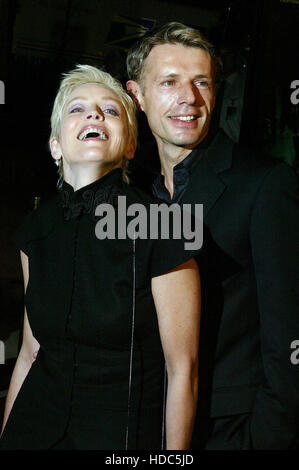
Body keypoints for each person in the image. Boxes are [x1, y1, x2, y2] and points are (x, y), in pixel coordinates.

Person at [0, 65, 201, 450]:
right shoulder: (35, 231)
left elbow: (183, 371)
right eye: (77, 109)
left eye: (110, 111)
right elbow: (29, 353)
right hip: (34, 428)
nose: (93, 115)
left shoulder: (163, 225)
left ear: (128, 146)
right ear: (56, 144)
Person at [126, 22, 299, 450]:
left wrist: (267, 437)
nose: (189, 98)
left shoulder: (265, 184)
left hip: (229, 427)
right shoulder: (135, 196)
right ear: (137, 95)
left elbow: (288, 334)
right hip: (147, 425)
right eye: (169, 82)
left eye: (201, 82)